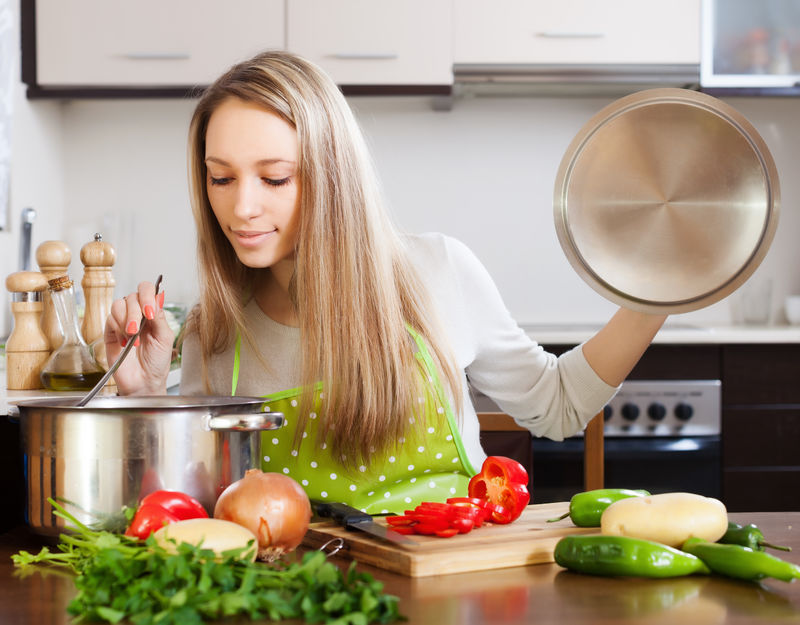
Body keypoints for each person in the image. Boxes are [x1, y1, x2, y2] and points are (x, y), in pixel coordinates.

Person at [105, 50, 667, 514]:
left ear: (333, 175)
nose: (242, 206)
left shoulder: (438, 271)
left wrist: (665, 289)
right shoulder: (215, 330)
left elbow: (560, 406)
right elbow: (193, 506)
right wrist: (145, 394)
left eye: (275, 178)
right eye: (220, 178)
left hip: (449, 585)